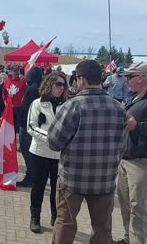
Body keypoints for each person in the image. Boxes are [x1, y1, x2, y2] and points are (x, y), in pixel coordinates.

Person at [48, 60, 126, 244]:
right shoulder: (118, 108)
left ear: (81, 80)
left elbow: (54, 141)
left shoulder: (73, 106)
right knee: (102, 229)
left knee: (65, 224)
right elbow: (122, 145)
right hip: (104, 180)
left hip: (72, 179)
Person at [26, 72, 67, 233]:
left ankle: (55, 216)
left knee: (58, 188)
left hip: (60, 155)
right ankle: (35, 217)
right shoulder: (37, 103)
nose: (61, 87)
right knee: (38, 186)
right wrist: (51, 138)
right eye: (58, 84)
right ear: (49, 85)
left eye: (63, 85)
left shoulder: (67, 105)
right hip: (40, 153)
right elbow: (31, 126)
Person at [115, 62, 147, 244]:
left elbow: (137, 125)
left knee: (138, 207)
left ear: (142, 77)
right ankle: (128, 238)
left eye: (130, 76)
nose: (127, 80)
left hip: (141, 161)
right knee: (126, 204)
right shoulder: (135, 97)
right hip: (126, 158)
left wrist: (138, 127)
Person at [17, 67, 43, 187]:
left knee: (26, 150)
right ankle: (34, 174)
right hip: (33, 124)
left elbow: (27, 107)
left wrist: (20, 119)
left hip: (27, 124)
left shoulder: (32, 89)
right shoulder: (39, 88)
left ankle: (31, 175)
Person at [2, 64, 27, 133]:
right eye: (14, 71)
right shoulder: (7, 81)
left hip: (18, 107)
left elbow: (26, 93)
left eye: (17, 71)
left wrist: (22, 102)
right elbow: (4, 92)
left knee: (17, 127)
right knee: (8, 125)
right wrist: (5, 101)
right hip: (8, 106)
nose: (16, 72)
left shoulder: (22, 81)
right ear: (11, 71)